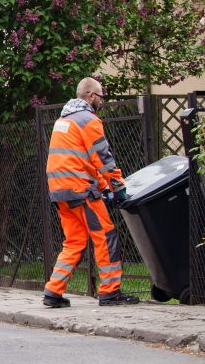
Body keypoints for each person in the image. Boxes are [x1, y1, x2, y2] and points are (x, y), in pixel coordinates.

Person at [42, 77, 139, 308]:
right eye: (101, 96)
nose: (103, 101)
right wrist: (117, 186)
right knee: (105, 236)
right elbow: (102, 158)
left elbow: (81, 161)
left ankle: (53, 292)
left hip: (60, 191)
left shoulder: (63, 120)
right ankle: (110, 291)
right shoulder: (89, 120)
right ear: (90, 96)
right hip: (80, 190)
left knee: (74, 241)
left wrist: (104, 188)